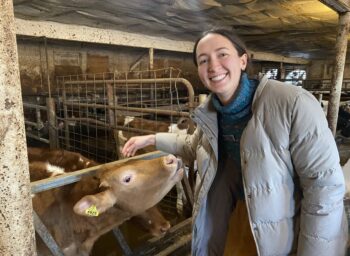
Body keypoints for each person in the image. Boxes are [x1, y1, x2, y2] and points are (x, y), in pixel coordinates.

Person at [122, 28, 348, 256]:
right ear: (200, 71)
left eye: (222, 54)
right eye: (203, 60)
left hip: (287, 229)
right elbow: (193, 146)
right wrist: (151, 139)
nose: (213, 65)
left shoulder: (293, 103)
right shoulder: (210, 113)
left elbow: (324, 187)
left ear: (242, 60)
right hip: (239, 214)